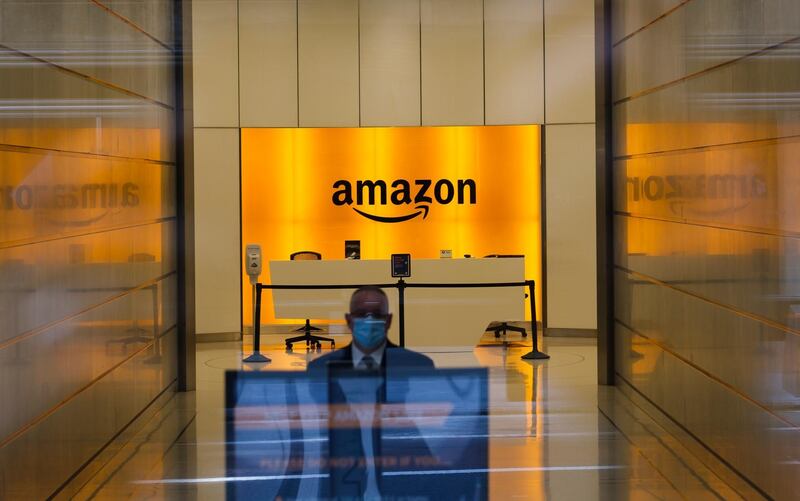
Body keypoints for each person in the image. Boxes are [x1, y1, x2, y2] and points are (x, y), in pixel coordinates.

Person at [307, 285, 434, 371]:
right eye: (361, 314)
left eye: (377, 314)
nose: (369, 321)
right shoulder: (320, 369)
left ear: (388, 321)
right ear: (349, 320)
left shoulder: (420, 366)